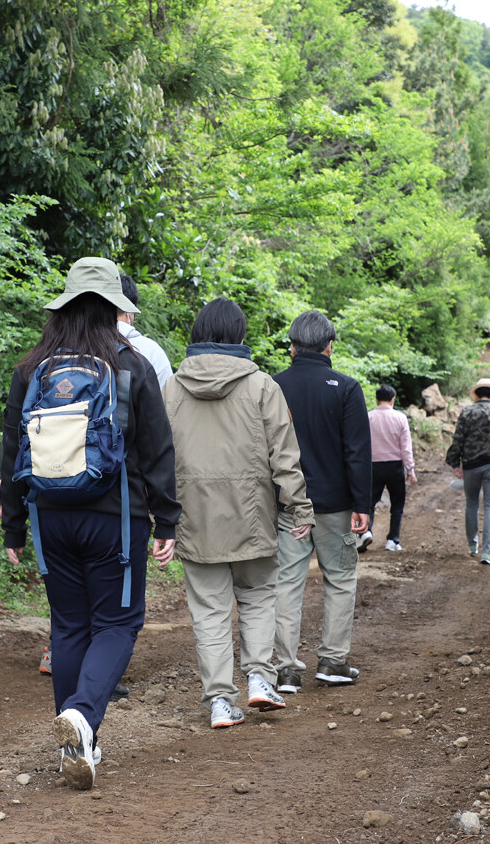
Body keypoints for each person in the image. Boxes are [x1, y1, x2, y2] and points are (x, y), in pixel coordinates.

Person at [0, 256, 180, 790]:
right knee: (118, 624)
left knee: (70, 625)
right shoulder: (130, 365)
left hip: (48, 519)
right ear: (112, 310)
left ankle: (76, 746)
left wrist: (12, 524)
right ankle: (81, 717)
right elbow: (158, 449)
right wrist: (166, 521)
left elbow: (12, 449)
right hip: (115, 520)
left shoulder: (31, 368)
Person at [163, 299, 314, 728]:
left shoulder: (172, 387)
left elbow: (156, 457)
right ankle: (260, 681)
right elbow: (285, 455)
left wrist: (159, 515)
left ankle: (219, 702)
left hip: (194, 518)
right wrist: (299, 506)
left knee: (209, 610)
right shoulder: (262, 385)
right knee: (259, 597)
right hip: (253, 515)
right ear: (239, 336)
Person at [272, 310, 372, 693]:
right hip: (336, 506)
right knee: (341, 578)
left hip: (289, 506)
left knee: (286, 582)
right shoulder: (346, 388)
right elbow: (357, 453)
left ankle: (285, 669)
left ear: (293, 347)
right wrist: (363, 504)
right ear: (330, 346)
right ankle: (332, 660)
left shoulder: (273, 386)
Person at [445, 377, 490, 565]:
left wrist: (454, 463)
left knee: (471, 504)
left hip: (470, 465)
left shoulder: (467, 412)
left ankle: (472, 545)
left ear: (476, 395)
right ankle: (487, 552)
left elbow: (458, 439)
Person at [361, 384, 417, 552]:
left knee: (369, 502)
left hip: (373, 466)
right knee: (397, 505)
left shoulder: (368, 417)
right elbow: (406, 447)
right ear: (393, 399)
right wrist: (410, 470)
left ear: (377, 399)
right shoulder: (400, 418)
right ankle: (392, 540)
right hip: (394, 466)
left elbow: (361, 444)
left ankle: (366, 532)